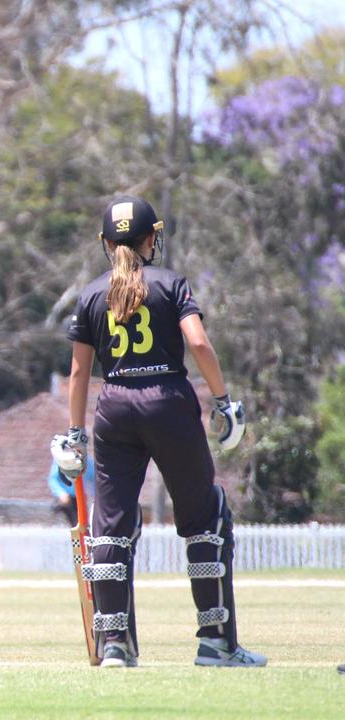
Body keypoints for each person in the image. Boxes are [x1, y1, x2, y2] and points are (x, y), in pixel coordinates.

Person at [57, 195, 264, 668]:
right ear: (153, 238)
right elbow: (198, 343)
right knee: (204, 518)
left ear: (107, 244)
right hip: (168, 402)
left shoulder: (91, 295)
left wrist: (74, 433)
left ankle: (114, 646)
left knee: (111, 525)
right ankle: (216, 643)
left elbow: (77, 374)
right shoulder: (171, 285)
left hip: (114, 409)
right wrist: (223, 400)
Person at [47, 457, 94, 526]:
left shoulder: (87, 462)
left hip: (81, 497)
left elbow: (94, 478)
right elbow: (53, 479)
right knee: (78, 523)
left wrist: (96, 494)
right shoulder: (62, 459)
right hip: (68, 497)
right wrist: (61, 494)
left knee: (84, 523)